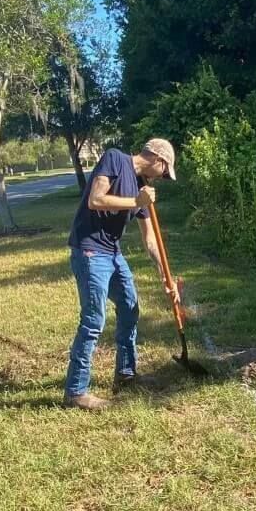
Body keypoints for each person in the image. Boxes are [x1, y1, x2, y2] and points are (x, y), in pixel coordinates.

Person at [64, 139, 179, 411]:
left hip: (113, 253)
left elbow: (150, 240)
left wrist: (166, 277)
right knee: (93, 320)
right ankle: (75, 392)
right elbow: (95, 199)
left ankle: (126, 375)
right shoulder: (115, 159)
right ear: (158, 160)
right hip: (90, 251)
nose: (162, 177)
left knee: (129, 308)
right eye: (165, 171)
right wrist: (136, 201)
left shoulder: (141, 187)